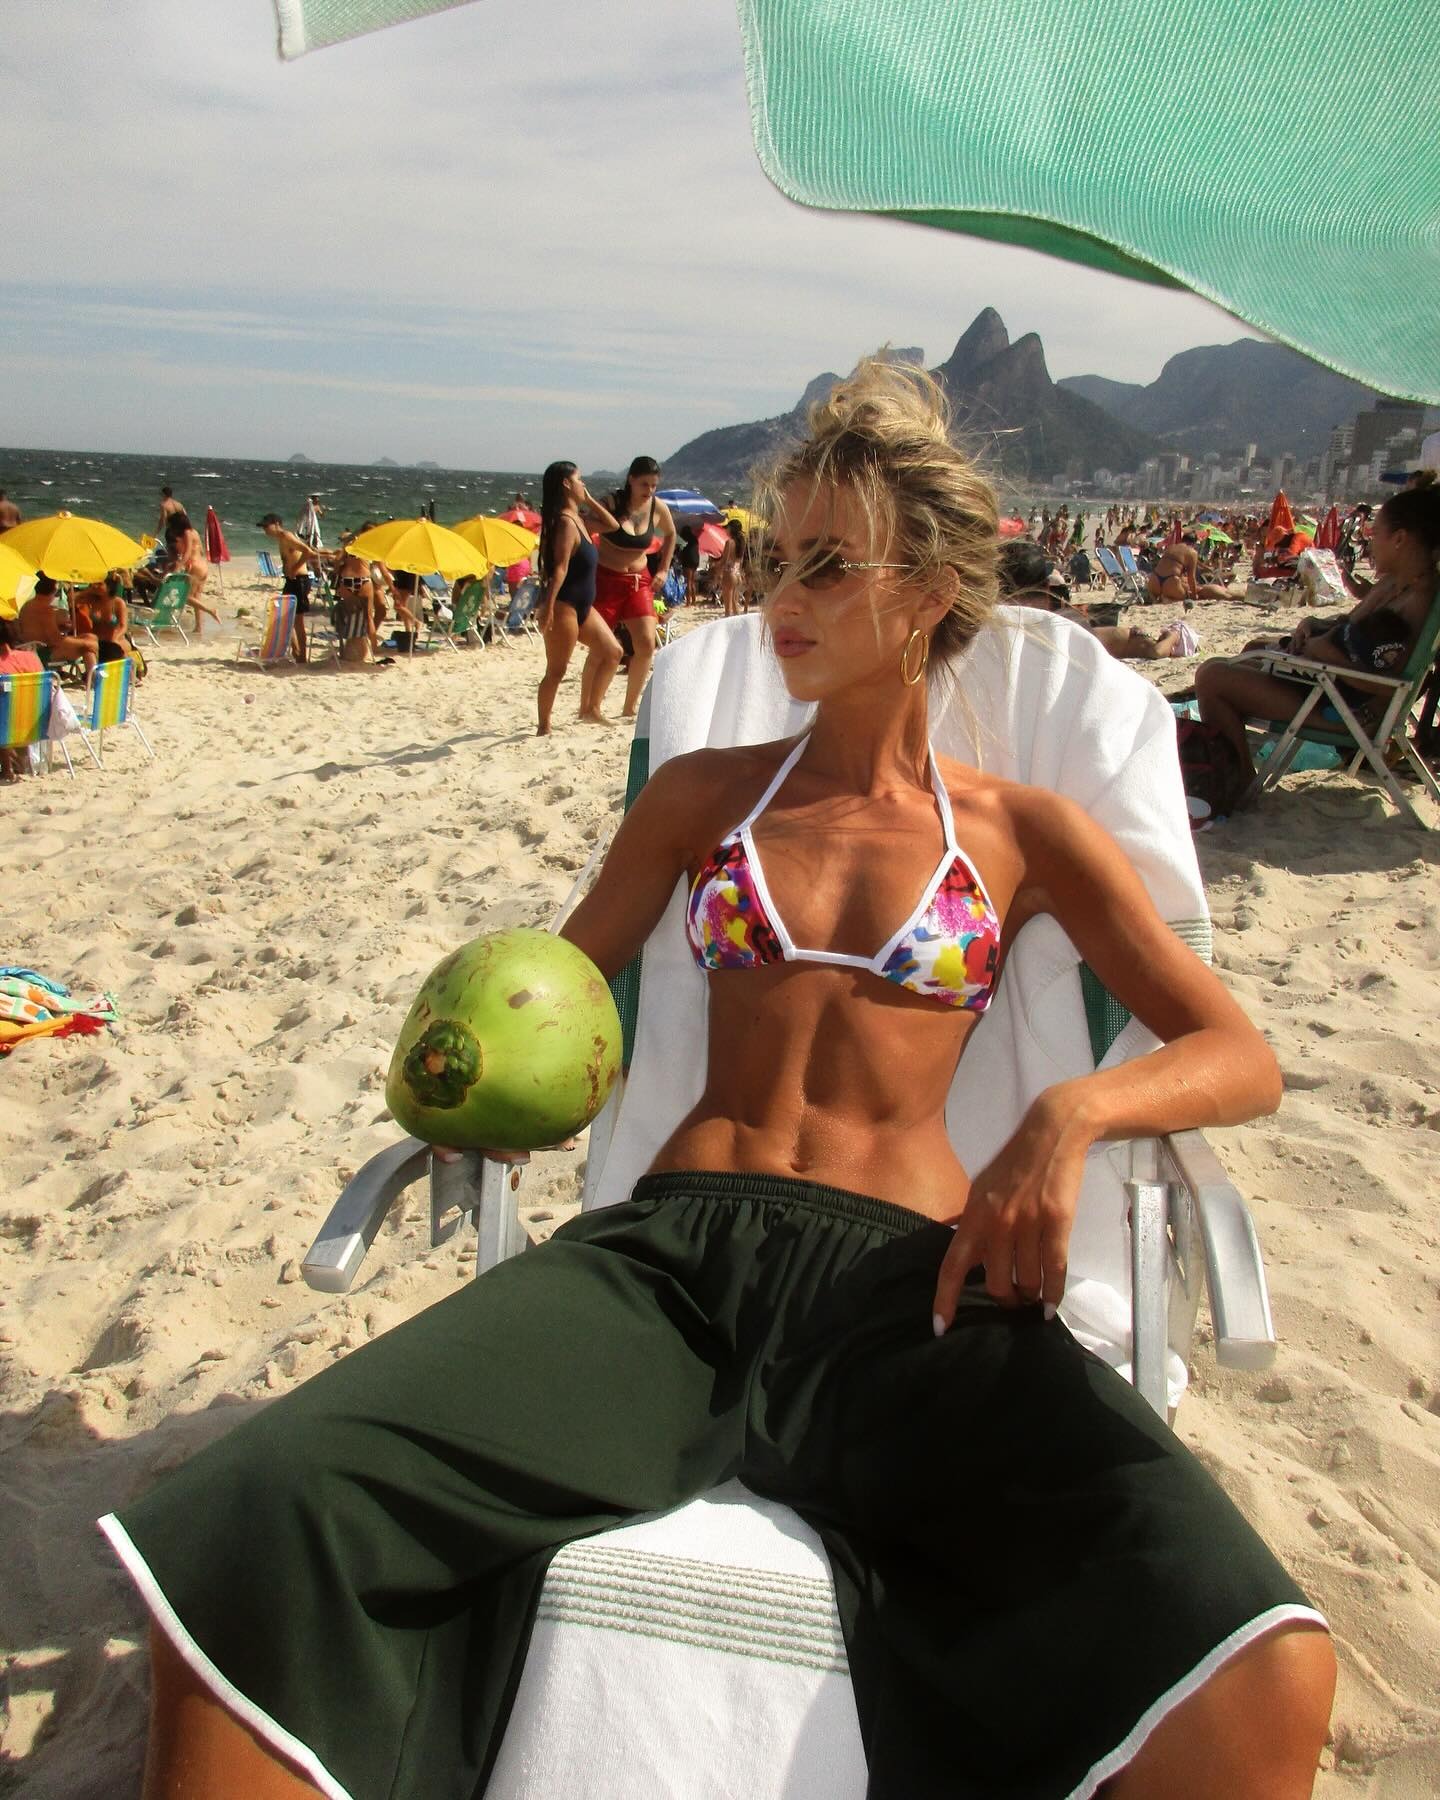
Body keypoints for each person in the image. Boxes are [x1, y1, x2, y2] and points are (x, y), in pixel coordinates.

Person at [110, 361, 1333, 1800]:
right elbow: (554, 1010)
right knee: (261, 1515)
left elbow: (1235, 1055)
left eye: (829, 564)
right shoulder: (707, 793)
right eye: (772, 559)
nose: (781, 596)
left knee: (1261, 1659)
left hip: (910, 1298)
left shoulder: (1020, 830)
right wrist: (457, 1072)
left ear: (930, 588)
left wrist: (1070, 1114)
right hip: (672, 1266)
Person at [1195, 475, 1439, 807]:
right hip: (1331, 689)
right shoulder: (1396, 586)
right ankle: (1240, 773)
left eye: (1375, 534)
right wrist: (1313, 624)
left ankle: (1239, 783)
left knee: (1212, 677)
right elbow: (1349, 626)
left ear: (1399, 539)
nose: (1368, 542)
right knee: (1251, 652)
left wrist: (1323, 655)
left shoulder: (1419, 600)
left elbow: (1390, 685)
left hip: (1349, 712)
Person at [533, 461, 623, 734]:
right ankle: (543, 726)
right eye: (579, 480)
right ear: (566, 484)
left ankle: (590, 710)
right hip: (564, 607)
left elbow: (612, 524)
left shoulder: (579, 521)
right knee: (557, 671)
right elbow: (559, 569)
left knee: (613, 652)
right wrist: (547, 608)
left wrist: (589, 499)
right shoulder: (565, 523)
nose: (583, 484)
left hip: (584, 607)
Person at [999, 542, 1195, 662]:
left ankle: (1174, 634)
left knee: (1155, 649)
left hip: (1128, 637)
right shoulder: (1062, 623)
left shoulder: (1061, 625)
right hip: (1115, 634)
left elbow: (1156, 652)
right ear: (1043, 588)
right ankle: (1173, 634)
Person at [591, 455, 676, 718]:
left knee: (647, 644)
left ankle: (629, 708)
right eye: (644, 485)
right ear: (631, 480)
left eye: (653, 485)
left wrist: (663, 568)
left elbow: (671, 534)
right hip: (606, 578)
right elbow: (583, 525)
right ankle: (591, 706)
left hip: (639, 581)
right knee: (602, 647)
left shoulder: (657, 507)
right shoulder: (611, 503)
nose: (649, 491)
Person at [258, 514, 330, 662]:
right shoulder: (281, 539)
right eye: (263, 527)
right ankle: (296, 652)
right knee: (284, 617)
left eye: (267, 526)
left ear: (277, 524)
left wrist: (294, 569)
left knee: (296, 621)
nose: (265, 530)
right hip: (292, 581)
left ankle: (302, 656)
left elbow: (307, 552)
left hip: (300, 580)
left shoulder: (286, 536)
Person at [17, 575, 99, 677]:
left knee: (90, 638)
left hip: (31, 648)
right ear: (55, 589)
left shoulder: (27, 606)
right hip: (43, 653)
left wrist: (60, 627)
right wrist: (83, 642)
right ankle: (94, 679)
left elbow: (39, 630)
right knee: (88, 646)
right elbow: (55, 640)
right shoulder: (46, 610)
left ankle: (90, 676)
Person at [0, 616, 45, 781]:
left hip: (6, 729)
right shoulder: (31, 658)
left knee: (4, 709)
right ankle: (21, 762)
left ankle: (6, 767)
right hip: (35, 724)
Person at [165, 512, 222, 638]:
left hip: (195, 567)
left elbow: (186, 553)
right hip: (202, 565)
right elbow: (200, 550)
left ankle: (210, 610)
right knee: (196, 597)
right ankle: (198, 627)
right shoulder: (194, 532)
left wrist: (178, 566)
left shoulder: (187, 533)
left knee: (184, 596)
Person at [1145, 534, 1233, 605]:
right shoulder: (1192, 552)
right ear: (1194, 543)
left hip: (1154, 582)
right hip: (1171, 583)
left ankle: (1165, 597)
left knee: (1182, 583)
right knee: (1199, 592)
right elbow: (1192, 578)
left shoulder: (1171, 548)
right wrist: (1194, 596)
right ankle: (1167, 597)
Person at [715, 517, 745, 616]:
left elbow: (724, 561)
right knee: (734, 603)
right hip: (737, 573)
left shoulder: (729, 542)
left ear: (731, 529)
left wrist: (717, 570)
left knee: (728, 608)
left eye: (727, 528)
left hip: (729, 573)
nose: (726, 530)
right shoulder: (741, 542)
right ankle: (739, 626)